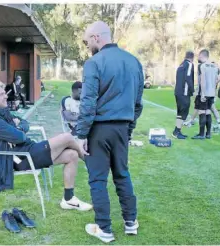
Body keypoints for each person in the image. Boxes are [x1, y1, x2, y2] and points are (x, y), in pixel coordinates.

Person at [0, 82, 93, 213]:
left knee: (72, 155)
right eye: (1, 94)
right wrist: (17, 128)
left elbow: (24, 123)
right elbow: (21, 137)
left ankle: (69, 200)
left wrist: (18, 127)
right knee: (67, 138)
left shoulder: (0, 112)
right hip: (18, 159)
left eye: (4, 93)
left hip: (25, 152)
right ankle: (91, 163)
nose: (6, 96)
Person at [78, 21, 142, 243]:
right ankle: (130, 222)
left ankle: (104, 228)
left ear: (96, 37)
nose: (87, 46)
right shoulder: (134, 62)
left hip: (99, 129)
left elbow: (88, 103)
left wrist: (81, 135)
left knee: (97, 179)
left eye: (87, 41)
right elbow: (137, 103)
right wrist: (128, 131)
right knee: (122, 175)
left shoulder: (94, 63)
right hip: (122, 128)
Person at [192, 49, 218, 140]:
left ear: (202, 56)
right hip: (211, 93)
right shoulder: (215, 66)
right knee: (208, 112)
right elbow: (216, 81)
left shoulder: (202, 66)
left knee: (201, 112)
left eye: (199, 56)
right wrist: (215, 94)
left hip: (204, 92)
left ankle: (201, 134)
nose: (198, 58)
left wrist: (202, 93)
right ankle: (208, 134)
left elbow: (203, 80)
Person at [172, 51, 195, 139]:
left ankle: (176, 131)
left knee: (179, 113)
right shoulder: (189, 64)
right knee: (184, 113)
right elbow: (188, 78)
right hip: (184, 93)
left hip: (177, 92)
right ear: (192, 58)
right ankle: (177, 132)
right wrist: (193, 91)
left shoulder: (181, 65)